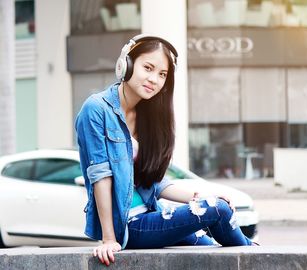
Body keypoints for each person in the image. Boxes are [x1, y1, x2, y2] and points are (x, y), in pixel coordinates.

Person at [75, 34, 254, 266]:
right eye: (147, 68)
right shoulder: (96, 109)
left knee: (211, 246)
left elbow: (154, 182)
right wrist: (109, 238)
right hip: (129, 226)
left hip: (153, 214)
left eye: (162, 75)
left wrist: (199, 196)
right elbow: (100, 175)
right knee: (219, 210)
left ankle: (252, 254)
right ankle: (255, 254)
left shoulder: (147, 116)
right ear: (126, 64)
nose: (154, 80)